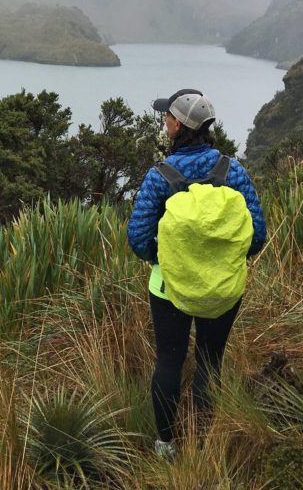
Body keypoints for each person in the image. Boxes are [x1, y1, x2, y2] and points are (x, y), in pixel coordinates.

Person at [127, 88, 266, 461]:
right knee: (209, 360)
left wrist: (168, 258)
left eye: (167, 117)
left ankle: (166, 446)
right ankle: (205, 443)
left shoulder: (160, 176)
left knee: (170, 360)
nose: (164, 122)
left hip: (169, 287)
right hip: (223, 288)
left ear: (177, 126)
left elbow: (138, 238)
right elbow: (258, 234)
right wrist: (223, 258)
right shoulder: (231, 170)